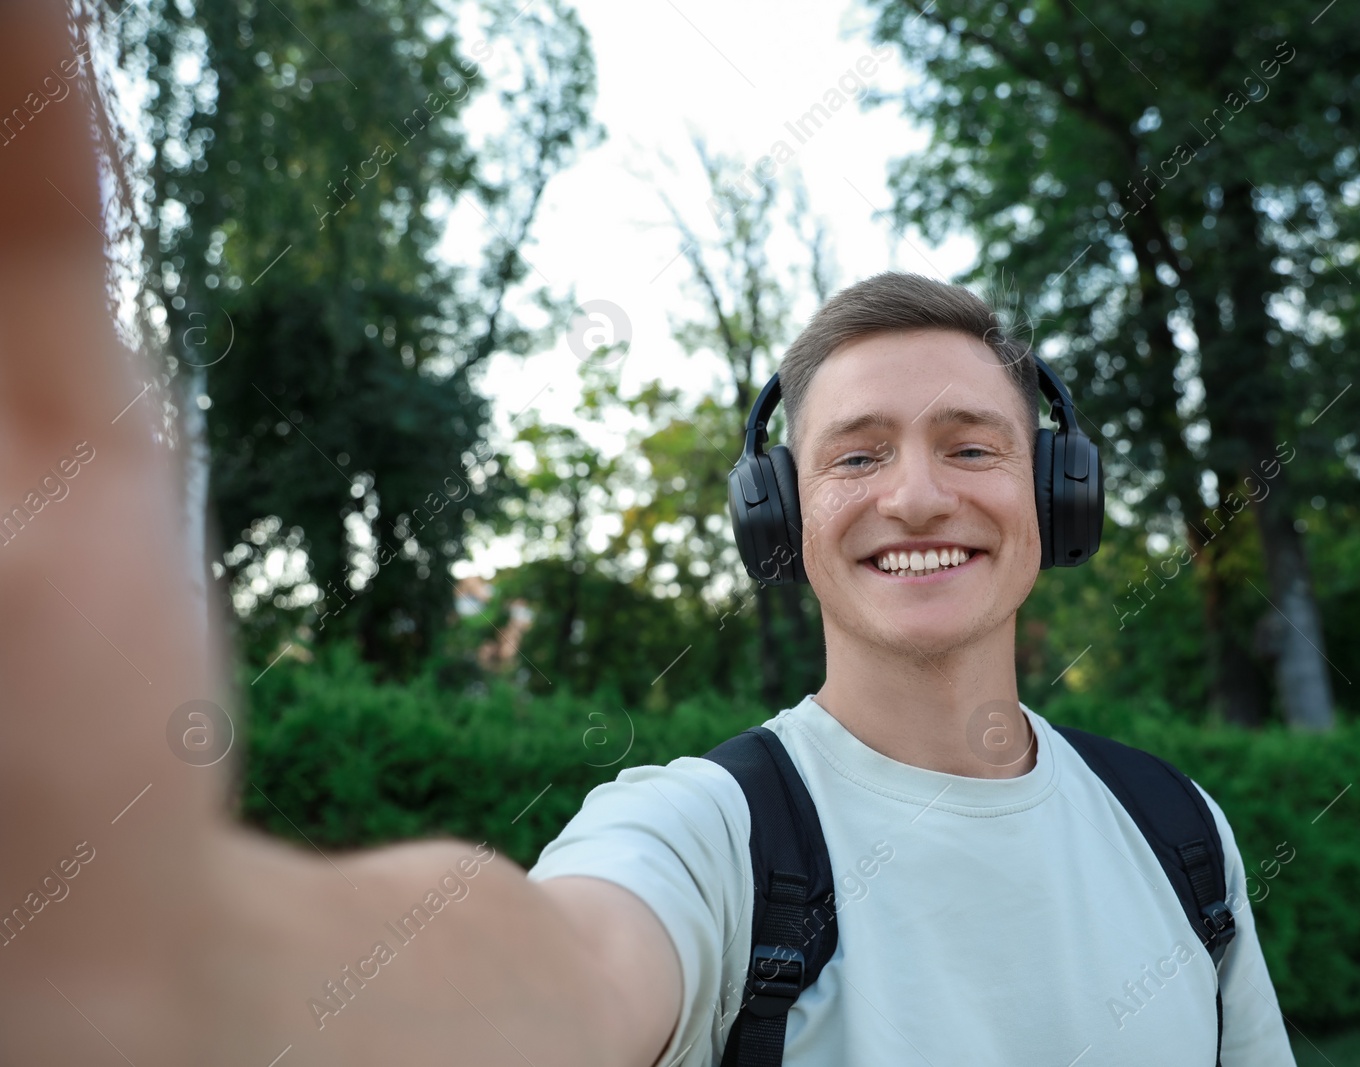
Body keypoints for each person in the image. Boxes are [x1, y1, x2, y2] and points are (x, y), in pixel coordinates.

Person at [0, 4, 1293, 1063]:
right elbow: (554, 968)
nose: (912, 497)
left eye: (970, 444)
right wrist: (178, 964)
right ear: (778, 514)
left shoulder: (1180, 833)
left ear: (1055, 493)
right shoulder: (711, 835)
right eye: (854, 455)